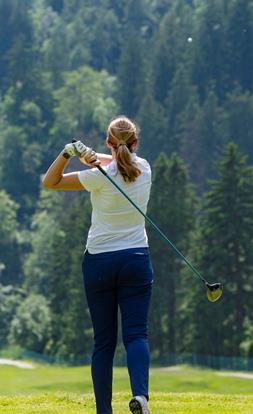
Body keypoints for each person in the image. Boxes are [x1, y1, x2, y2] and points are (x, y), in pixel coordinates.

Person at [42, 116, 153, 414]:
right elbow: (121, 160)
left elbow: (49, 182)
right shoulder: (144, 169)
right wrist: (92, 156)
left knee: (104, 342)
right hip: (136, 260)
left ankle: (104, 410)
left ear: (109, 143)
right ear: (135, 142)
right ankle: (140, 397)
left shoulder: (97, 177)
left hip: (100, 262)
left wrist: (69, 152)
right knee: (136, 335)